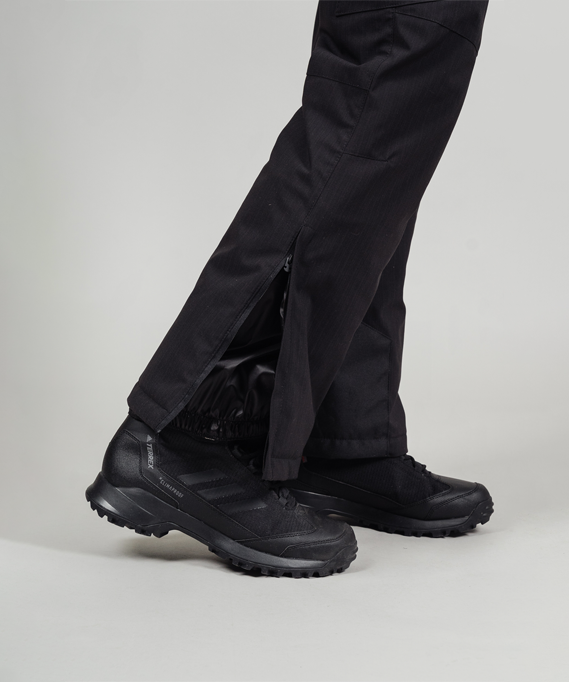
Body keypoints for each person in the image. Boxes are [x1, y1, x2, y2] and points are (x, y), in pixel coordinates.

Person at [86, 0, 494, 577]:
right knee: (384, 80)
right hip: (196, 429)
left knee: (395, 123)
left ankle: (340, 439)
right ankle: (191, 436)